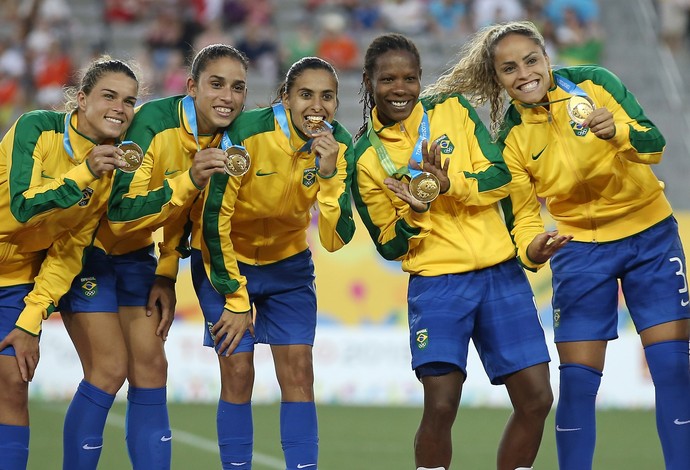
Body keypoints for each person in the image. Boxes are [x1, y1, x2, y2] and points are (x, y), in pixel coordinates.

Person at [434, 20, 690, 470]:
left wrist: (618, 133)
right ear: (498, 79)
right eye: (509, 68)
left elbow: (654, 144)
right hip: (579, 251)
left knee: (672, 370)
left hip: (650, 236)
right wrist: (535, 248)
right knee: (577, 383)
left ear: (548, 58)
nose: (524, 73)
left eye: (531, 60)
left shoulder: (595, 84)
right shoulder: (509, 137)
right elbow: (523, 215)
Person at [351, 33, 554, 470]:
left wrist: (451, 186)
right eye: (388, 79)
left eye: (409, 78)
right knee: (441, 406)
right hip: (438, 283)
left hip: (499, 272)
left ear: (420, 79)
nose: (399, 88)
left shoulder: (452, 110)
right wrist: (415, 213)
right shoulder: (364, 157)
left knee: (537, 398)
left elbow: (500, 177)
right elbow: (388, 244)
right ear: (369, 82)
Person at [58, 43, 248, 470]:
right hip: (87, 254)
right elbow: (123, 213)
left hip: (136, 259)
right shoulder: (151, 124)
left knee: (151, 369)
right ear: (192, 87)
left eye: (238, 88)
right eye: (216, 84)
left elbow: (189, 215)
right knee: (108, 371)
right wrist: (189, 178)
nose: (228, 97)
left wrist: (165, 271)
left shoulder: (225, 137)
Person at [194, 56, 355, 470]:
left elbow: (336, 240)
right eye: (305, 95)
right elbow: (214, 221)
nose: (316, 106)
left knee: (300, 373)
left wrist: (328, 173)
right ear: (285, 98)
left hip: (289, 266)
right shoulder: (246, 134)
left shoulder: (337, 146)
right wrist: (234, 296)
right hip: (226, 261)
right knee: (238, 371)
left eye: (327, 97)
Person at [0, 57, 139, 470]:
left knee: (12, 383)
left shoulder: (110, 171)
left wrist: (32, 317)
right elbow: (18, 209)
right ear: (81, 99)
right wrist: (83, 174)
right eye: (109, 96)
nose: (120, 107)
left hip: (16, 280)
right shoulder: (37, 128)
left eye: (129, 101)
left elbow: (68, 252)